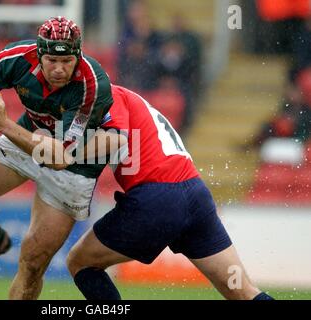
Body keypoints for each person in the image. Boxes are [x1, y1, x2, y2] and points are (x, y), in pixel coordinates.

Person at [0, 16, 115, 300]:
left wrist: (3, 125)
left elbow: (60, 156)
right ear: (38, 53)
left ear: (78, 55)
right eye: (51, 61)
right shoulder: (19, 57)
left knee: (32, 265)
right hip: (26, 136)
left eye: (67, 61)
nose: (59, 70)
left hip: (74, 166)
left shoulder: (92, 86)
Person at [63, 85, 275, 300]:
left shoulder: (109, 97)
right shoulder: (133, 101)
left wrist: (66, 155)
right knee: (242, 290)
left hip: (158, 199)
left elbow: (114, 137)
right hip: (196, 197)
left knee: (80, 261)